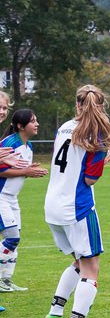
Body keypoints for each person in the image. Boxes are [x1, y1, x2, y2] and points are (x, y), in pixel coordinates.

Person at [41, 85, 110, 318]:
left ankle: (54, 315)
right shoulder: (97, 134)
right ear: (102, 106)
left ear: (76, 105)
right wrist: (105, 159)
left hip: (52, 205)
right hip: (77, 208)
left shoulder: (64, 127)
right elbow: (89, 178)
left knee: (78, 262)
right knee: (91, 267)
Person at [0, 110, 48, 293]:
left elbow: (19, 171)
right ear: (20, 126)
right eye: (33, 121)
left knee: (14, 240)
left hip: (12, 199)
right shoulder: (10, 144)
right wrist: (25, 172)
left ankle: (5, 280)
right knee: (12, 238)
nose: (37, 124)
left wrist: (30, 171)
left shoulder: (29, 147)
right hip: (1, 197)